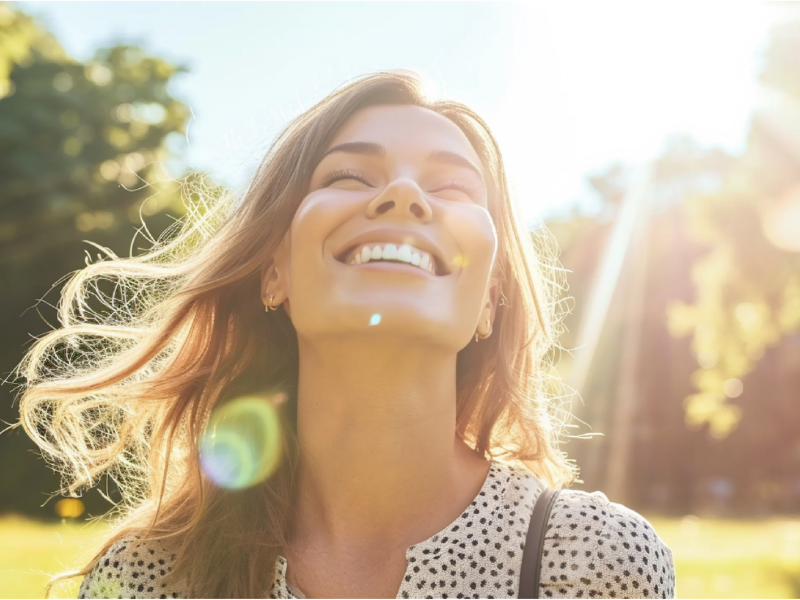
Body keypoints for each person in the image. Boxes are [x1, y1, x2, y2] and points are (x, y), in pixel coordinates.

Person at [17, 70, 675, 599]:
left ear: (491, 299)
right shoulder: (146, 578)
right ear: (274, 272)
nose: (405, 197)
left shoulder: (595, 561)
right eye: (348, 177)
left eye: (450, 187)